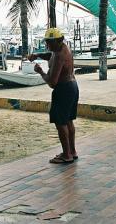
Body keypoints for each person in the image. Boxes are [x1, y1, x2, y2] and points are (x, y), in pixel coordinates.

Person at [28, 28, 79, 164]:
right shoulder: (62, 49)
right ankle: (71, 151)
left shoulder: (59, 55)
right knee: (68, 120)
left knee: (60, 123)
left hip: (64, 90)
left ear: (58, 41)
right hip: (72, 87)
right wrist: (37, 55)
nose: (47, 45)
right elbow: (49, 55)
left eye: (50, 42)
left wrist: (40, 71)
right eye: (47, 42)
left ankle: (66, 155)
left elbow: (52, 82)